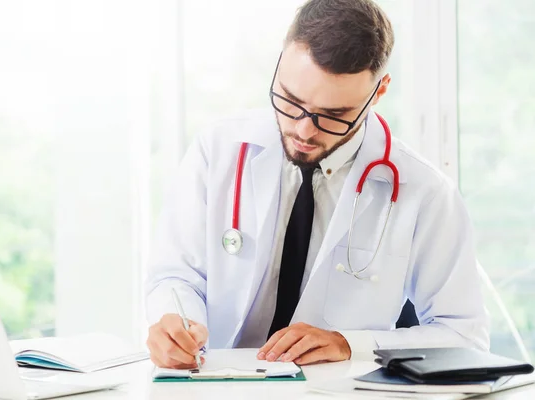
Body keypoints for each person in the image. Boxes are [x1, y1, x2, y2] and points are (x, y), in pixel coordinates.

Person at [145, 0, 489, 369]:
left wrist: (350, 345)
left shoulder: (425, 192)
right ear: (280, 62)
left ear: (380, 91)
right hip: (218, 382)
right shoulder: (217, 151)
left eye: (334, 116)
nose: (304, 130)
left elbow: (465, 337)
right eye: (291, 101)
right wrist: (175, 321)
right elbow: (175, 276)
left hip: (341, 391)